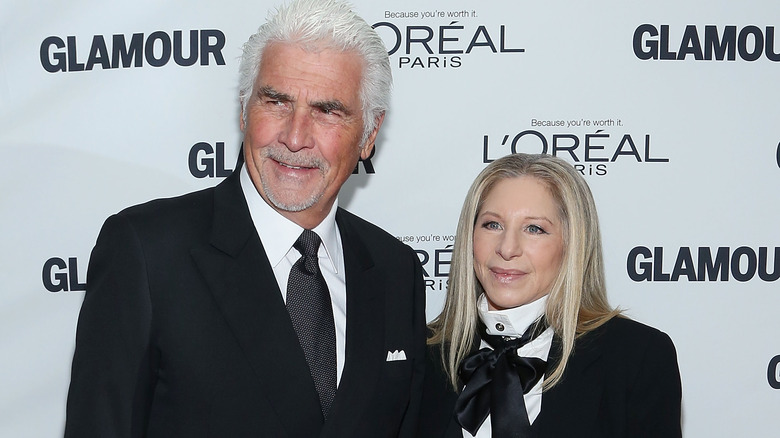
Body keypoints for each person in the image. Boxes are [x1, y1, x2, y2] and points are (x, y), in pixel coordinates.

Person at [64, 1, 426, 436]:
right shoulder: (147, 254)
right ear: (243, 109)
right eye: (276, 101)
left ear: (369, 134)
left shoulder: (394, 269)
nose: (294, 137)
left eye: (327, 111)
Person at [417, 153, 682, 437]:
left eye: (535, 229)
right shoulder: (420, 357)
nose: (507, 248)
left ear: (572, 244)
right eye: (492, 224)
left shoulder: (635, 357)